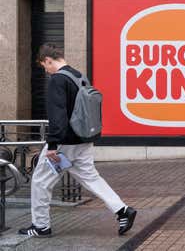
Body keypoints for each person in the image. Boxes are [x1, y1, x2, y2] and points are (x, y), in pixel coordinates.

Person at [19, 43, 136, 238]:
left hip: (64, 143)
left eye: (44, 66)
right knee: (91, 177)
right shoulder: (79, 76)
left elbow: (58, 116)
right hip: (84, 140)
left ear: (48, 60)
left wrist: (53, 145)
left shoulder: (58, 80)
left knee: (40, 182)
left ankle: (41, 226)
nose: (46, 71)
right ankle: (123, 210)